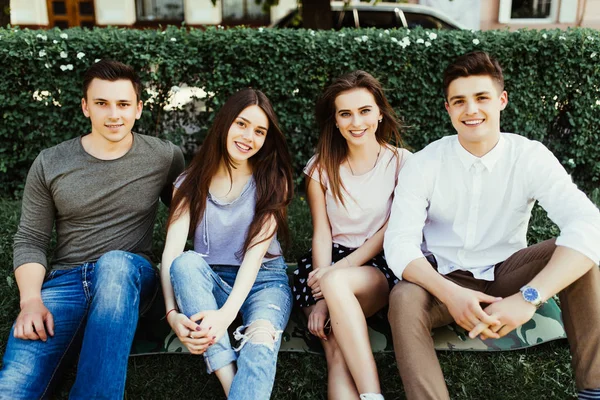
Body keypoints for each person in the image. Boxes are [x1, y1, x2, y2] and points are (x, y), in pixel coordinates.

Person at [384, 51, 600, 400]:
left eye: (481, 98)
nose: (471, 110)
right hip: (443, 277)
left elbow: (589, 223)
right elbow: (399, 244)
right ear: (448, 109)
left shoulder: (528, 156)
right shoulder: (424, 163)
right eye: (459, 101)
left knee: (582, 251)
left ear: (501, 101)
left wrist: (529, 298)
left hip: (507, 273)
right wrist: (450, 294)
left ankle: (594, 389)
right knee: (404, 296)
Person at [0, 60, 185, 399]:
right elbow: (30, 239)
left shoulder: (164, 156)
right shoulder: (50, 162)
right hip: (66, 283)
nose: (113, 114)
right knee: (12, 389)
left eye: (123, 104)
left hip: (128, 275)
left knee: (114, 263)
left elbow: (191, 216)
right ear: (86, 106)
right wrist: (30, 301)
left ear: (139, 108)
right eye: (101, 103)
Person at [160, 88, 294, 400]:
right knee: (185, 263)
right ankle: (228, 380)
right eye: (242, 124)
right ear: (225, 124)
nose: (249, 136)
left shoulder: (274, 180)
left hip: (264, 281)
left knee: (260, 346)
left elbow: (254, 256)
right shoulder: (190, 182)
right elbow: (171, 253)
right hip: (209, 281)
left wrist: (224, 317)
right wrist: (172, 314)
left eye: (259, 131)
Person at [292, 70, 410, 400]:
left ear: (380, 113)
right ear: (336, 120)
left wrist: (333, 278)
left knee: (336, 290)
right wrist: (319, 299)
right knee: (335, 352)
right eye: (346, 114)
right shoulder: (320, 168)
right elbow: (321, 232)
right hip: (326, 263)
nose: (356, 122)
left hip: (376, 264)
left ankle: (372, 394)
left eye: (364, 111)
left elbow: (392, 229)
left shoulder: (402, 163)